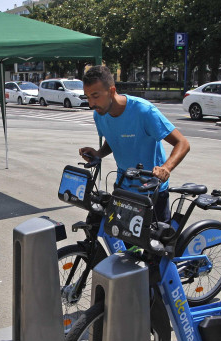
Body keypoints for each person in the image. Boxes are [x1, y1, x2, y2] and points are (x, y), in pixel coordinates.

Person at [79, 65, 190, 223]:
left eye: (95, 96)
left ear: (111, 91)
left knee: (156, 245)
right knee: (122, 242)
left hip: (151, 191)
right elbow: (114, 138)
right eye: (88, 97)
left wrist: (166, 168)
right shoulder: (100, 115)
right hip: (123, 188)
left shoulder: (143, 111)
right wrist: (98, 153)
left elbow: (182, 143)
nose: (91, 104)